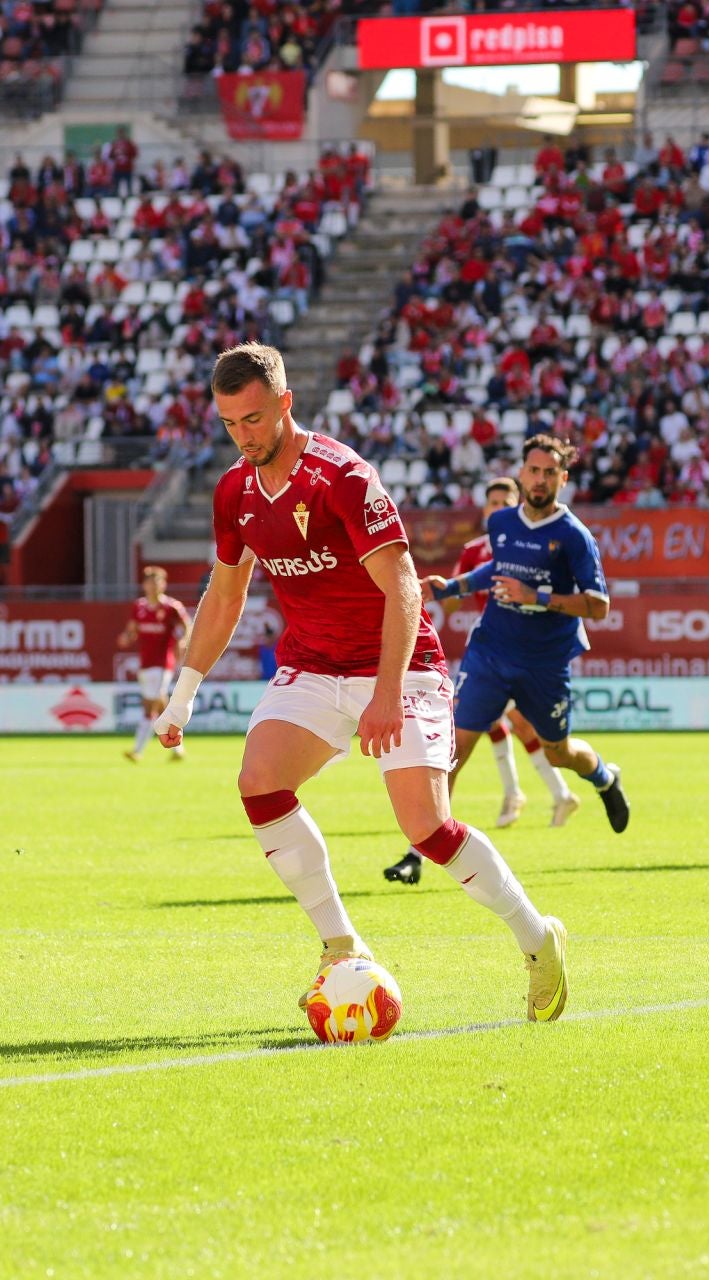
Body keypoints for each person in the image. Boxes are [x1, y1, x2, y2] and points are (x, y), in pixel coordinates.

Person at [150, 343, 571, 1022]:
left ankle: (536, 938)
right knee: (259, 781)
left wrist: (386, 692)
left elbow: (402, 585)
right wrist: (183, 695)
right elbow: (224, 594)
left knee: (426, 826)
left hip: (400, 667)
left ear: (285, 404)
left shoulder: (342, 475)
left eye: (254, 419)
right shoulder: (234, 491)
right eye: (229, 424)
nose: (243, 436)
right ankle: (340, 946)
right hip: (313, 664)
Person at [383, 436, 629, 886]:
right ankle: (416, 853)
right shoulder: (501, 522)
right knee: (453, 751)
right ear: (522, 473)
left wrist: (537, 597)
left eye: (549, 473)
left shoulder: (574, 536)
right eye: (533, 470)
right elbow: (497, 570)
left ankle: (603, 778)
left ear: (563, 479)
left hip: (545, 663)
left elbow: (598, 605)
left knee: (558, 753)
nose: (540, 479)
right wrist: (454, 586)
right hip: (491, 653)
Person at [428, 475, 581, 835]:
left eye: (504, 503)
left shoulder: (530, 545)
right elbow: (451, 603)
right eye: (492, 503)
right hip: (490, 648)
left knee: (512, 724)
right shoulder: (474, 550)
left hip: (524, 649)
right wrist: (449, 589)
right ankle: (541, 794)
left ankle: (536, 793)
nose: (496, 509)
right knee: (498, 723)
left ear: (518, 506)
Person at [118, 565, 191, 762]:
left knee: (150, 704)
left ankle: (137, 750)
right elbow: (132, 630)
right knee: (160, 707)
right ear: (144, 585)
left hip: (163, 663)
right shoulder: (139, 606)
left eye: (156, 582)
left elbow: (187, 625)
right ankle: (178, 750)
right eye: (149, 582)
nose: (152, 586)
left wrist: (183, 641)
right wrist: (127, 637)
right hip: (145, 663)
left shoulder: (171, 607)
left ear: (163, 585)